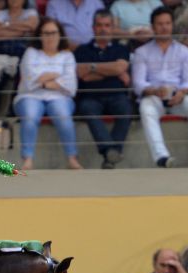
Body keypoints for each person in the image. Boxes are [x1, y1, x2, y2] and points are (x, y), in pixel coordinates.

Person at [132, 6, 188, 168]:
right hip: (154, 97)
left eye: (167, 23)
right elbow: (138, 83)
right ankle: (162, 157)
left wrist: (182, 93)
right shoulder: (142, 52)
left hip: (178, 98)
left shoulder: (184, 52)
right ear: (153, 27)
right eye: (160, 24)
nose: (164, 27)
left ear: (172, 25)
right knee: (146, 107)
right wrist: (154, 90)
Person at [12, 18, 82, 171]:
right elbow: (29, 78)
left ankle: (72, 158)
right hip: (30, 96)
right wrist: (56, 75)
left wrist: (43, 80)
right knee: (30, 116)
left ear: (60, 35)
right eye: (46, 33)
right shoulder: (31, 53)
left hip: (59, 97)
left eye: (54, 33)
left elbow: (71, 85)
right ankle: (27, 159)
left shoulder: (67, 55)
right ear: (40, 35)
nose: (50, 37)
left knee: (64, 117)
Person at [74, 9, 131, 169]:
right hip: (91, 96)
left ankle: (109, 155)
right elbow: (82, 75)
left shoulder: (121, 49)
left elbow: (120, 68)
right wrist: (112, 71)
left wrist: (93, 67)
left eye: (107, 25)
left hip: (116, 95)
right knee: (87, 108)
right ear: (93, 28)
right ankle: (111, 151)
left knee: (126, 109)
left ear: (112, 28)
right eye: (99, 25)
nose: (103, 29)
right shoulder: (82, 50)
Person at [0, 0, 39, 118]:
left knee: (23, 73)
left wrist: (5, 25)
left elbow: (32, 26)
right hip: (0, 51)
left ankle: (13, 111)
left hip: (22, 52)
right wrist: (21, 30)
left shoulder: (30, 12)